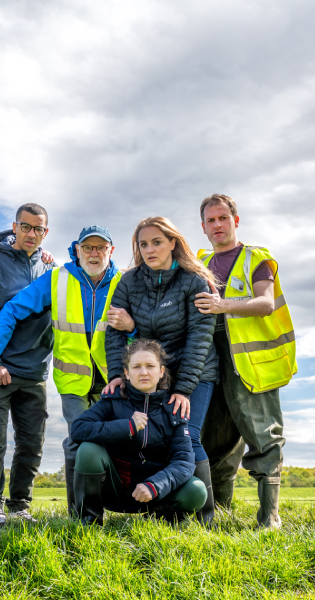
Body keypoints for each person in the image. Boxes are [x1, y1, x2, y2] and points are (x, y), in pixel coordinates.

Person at [0, 225, 136, 516]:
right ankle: (81, 514)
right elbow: (12, 309)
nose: (95, 253)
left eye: (101, 247)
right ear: (77, 250)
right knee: (79, 439)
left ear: (112, 251)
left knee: (121, 441)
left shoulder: (125, 283)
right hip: (73, 379)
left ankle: (125, 504)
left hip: (116, 380)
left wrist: (132, 330)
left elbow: (143, 331)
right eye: (88, 247)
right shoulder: (57, 279)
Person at [103, 216, 219, 524]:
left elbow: (199, 339)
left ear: (173, 243)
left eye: (157, 242)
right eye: (143, 244)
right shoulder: (129, 281)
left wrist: (182, 389)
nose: (149, 249)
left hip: (195, 370)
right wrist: (117, 373)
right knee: (153, 436)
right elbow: (114, 332)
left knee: (188, 436)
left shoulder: (195, 281)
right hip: (153, 372)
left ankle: (206, 519)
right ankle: (164, 511)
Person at [195, 193, 297, 529]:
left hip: (250, 363)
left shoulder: (256, 258)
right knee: (214, 439)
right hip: (211, 362)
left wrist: (223, 305)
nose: (217, 225)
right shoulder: (200, 261)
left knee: (263, 436)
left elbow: (266, 303)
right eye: (211, 220)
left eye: (223, 218)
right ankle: (217, 514)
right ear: (203, 227)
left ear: (235, 221)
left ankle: (270, 517)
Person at [0, 203, 56, 528]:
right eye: (26, 227)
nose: (32, 234)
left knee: (32, 443)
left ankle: (20, 504)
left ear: (45, 232)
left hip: (35, 372)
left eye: (39, 229)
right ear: (15, 226)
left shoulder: (51, 269)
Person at [71, 339, 207, 524]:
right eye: (136, 367)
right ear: (127, 373)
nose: (143, 372)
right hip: (114, 491)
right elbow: (78, 429)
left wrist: (155, 485)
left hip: (154, 494)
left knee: (196, 490)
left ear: (161, 372)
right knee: (88, 449)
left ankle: (156, 517)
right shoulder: (112, 400)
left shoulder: (173, 409)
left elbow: (183, 462)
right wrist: (127, 427)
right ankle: (89, 521)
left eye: (150, 366)